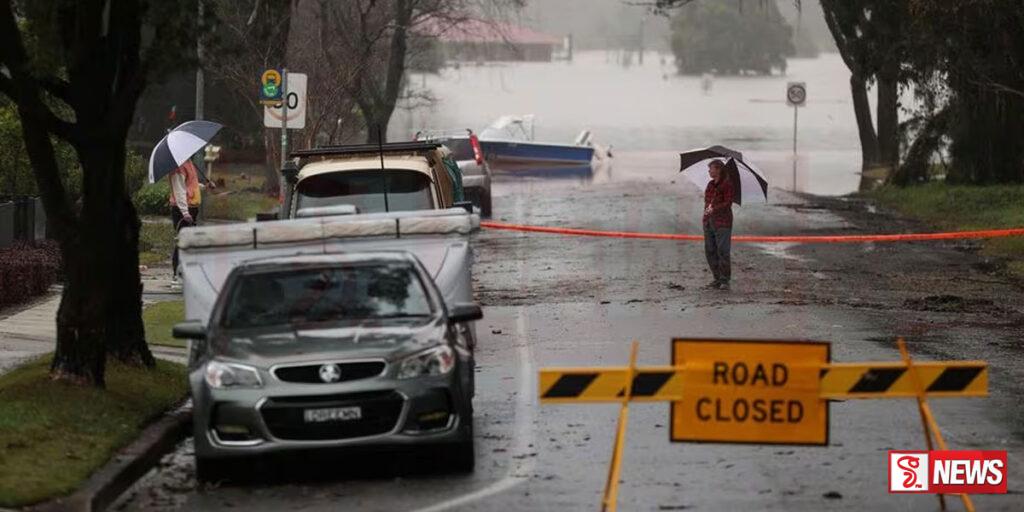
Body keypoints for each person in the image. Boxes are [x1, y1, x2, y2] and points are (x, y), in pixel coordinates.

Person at [169, 158, 212, 281]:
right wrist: (184, 212)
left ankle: (187, 272)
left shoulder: (188, 162)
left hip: (191, 209)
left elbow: (190, 185)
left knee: (189, 242)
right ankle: (177, 274)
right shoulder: (178, 167)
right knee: (183, 242)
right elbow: (179, 191)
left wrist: (205, 186)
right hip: (182, 210)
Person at [703, 160, 735, 290]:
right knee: (710, 250)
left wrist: (714, 208)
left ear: (718, 170)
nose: (709, 171)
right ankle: (716, 278)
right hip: (709, 221)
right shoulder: (710, 184)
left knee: (723, 251)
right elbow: (707, 200)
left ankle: (724, 280)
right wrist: (707, 211)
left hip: (723, 222)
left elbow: (728, 203)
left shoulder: (727, 184)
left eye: (711, 169)